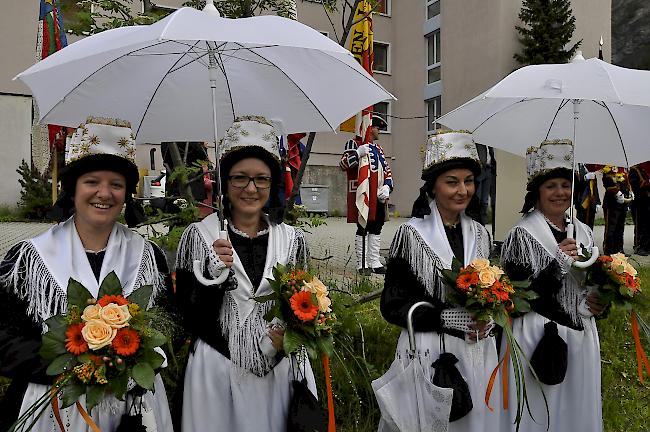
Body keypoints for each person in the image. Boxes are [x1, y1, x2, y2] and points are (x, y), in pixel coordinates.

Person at [0, 117, 174, 432]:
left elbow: (171, 324)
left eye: (116, 184)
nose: (104, 193)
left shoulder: (149, 258)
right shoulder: (29, 259)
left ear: (127, 193)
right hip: (52, 406)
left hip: (134, 408)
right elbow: (4, 341)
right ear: (73, 188)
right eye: (92, 181)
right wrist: (72, 362)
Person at [174, 116, 316, 432]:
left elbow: (305, 304)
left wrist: (281, 338)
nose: (251, 189)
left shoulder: (292, 240)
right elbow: (185, 317)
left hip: (279, 373)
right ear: (225, 181)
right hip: (216, 374)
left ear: (272, 183)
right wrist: (212, 276)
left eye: (261, 179)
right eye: (240, 178)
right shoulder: (199, 237)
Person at [380, 130, 500, 431]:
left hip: (477, 351)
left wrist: (491, 318)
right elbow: (392, 305)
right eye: (452, 182)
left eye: (469, 181)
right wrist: (444, 317)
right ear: (433, 186)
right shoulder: (411, 236)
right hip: (430, 353)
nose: (463, 190)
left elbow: (493, 294)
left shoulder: (482, 235)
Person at [500, 140, 605, 432]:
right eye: (551, 186)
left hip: (581, 336)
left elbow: (591, 283)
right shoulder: (522, 235)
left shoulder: (583, 231)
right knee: (542, 414)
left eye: (565, 184)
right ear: (538, 191)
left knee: (575, 413)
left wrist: (599, 302)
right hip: (538, 337)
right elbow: (519, 298)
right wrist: (557, 264)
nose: (560, 192)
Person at [340, 115, 394, 275]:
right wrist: (357, 153)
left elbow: (387, 171)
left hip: (377, 196)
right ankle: (362, 263)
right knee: (363, 227)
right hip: (362, 194)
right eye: (377, 128)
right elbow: (343, 165)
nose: (379, 131)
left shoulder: (379, 149)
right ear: (370, 127)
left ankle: (374, 261)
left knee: (377, 227)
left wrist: (387, 186)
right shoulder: (353, 144)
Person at [601, 165, 633, 255]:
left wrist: (629, 192)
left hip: (623, 202)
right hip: (612, 202)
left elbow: (626, 181)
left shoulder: (623, 167)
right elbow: (607, 181)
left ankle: (619, 251)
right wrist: (617, 192)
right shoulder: (609, 165)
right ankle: (609, 252)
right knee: (611, 228)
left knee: (620, 227)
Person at [629, 162, 650, 256]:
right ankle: (639, 246)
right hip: (639, 202)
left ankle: (647, 246)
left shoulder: (646, 170)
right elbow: (635, 186)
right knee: (640, 225)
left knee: (648, 226)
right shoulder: (635, 170)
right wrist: (646, 183)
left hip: (648, 202)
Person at [574, 163, 601, 230]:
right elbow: (576, 186)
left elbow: (594, 186)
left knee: (590, 224)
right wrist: (585, 178)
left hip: (591, 201)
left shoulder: (590, 166)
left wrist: (598, 202)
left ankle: (590, 239)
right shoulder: (576, 166)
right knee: (581, 225)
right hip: (581, 201)